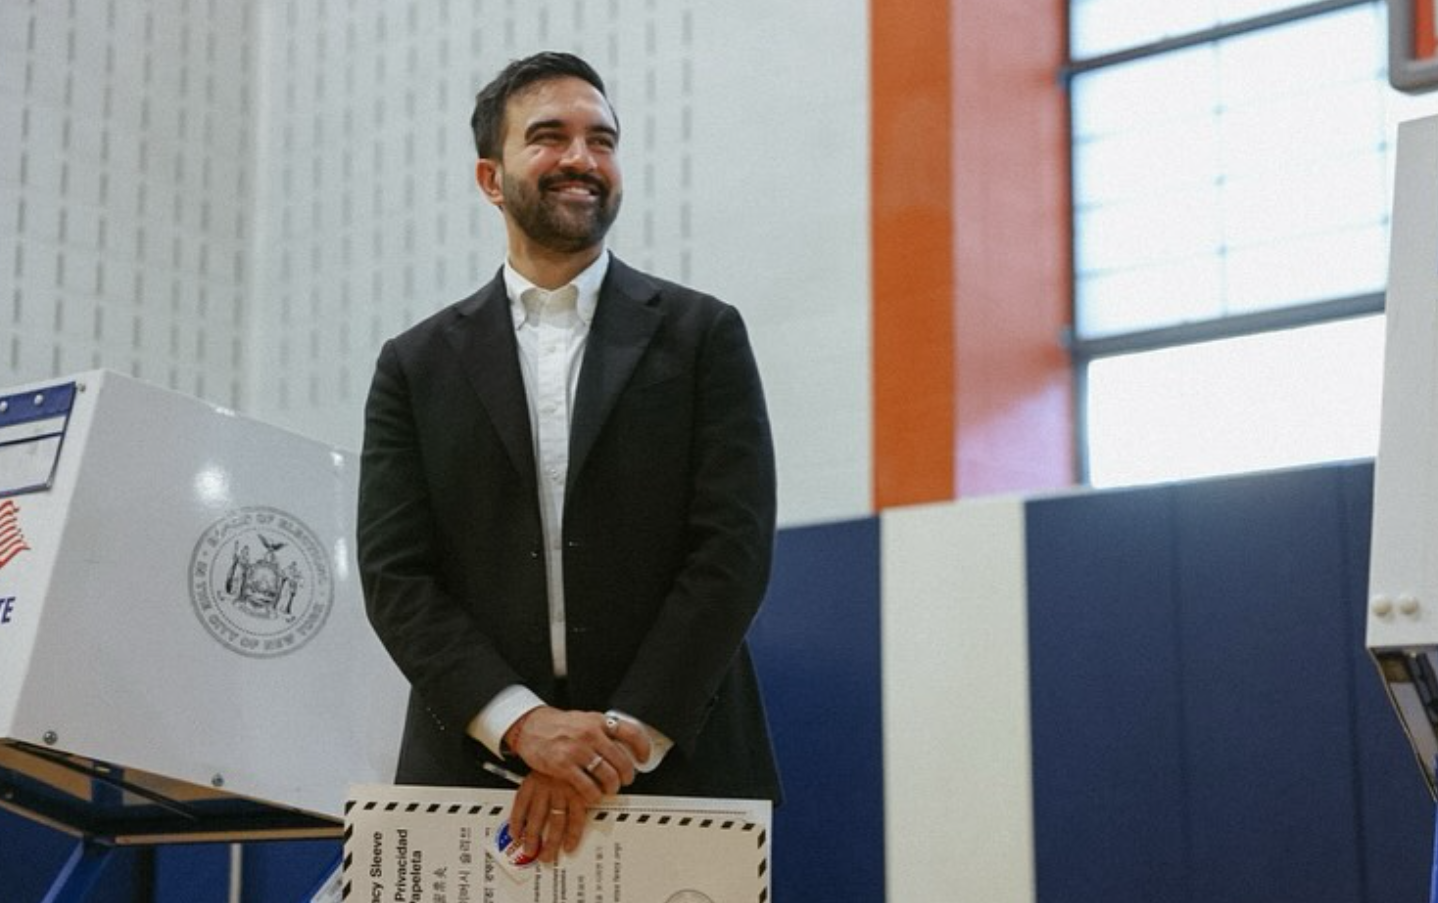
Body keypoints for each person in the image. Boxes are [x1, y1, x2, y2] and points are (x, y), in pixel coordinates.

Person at [356, 51, 781, 864]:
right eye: (549, 137)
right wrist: (522, 724)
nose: (582, 158)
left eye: (602, 140)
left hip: (681, 767)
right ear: (491, 178)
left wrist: (613, 742)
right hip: (472, 775)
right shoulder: (414, 365)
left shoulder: (705, 336)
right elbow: (395, 575)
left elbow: (733, 551)